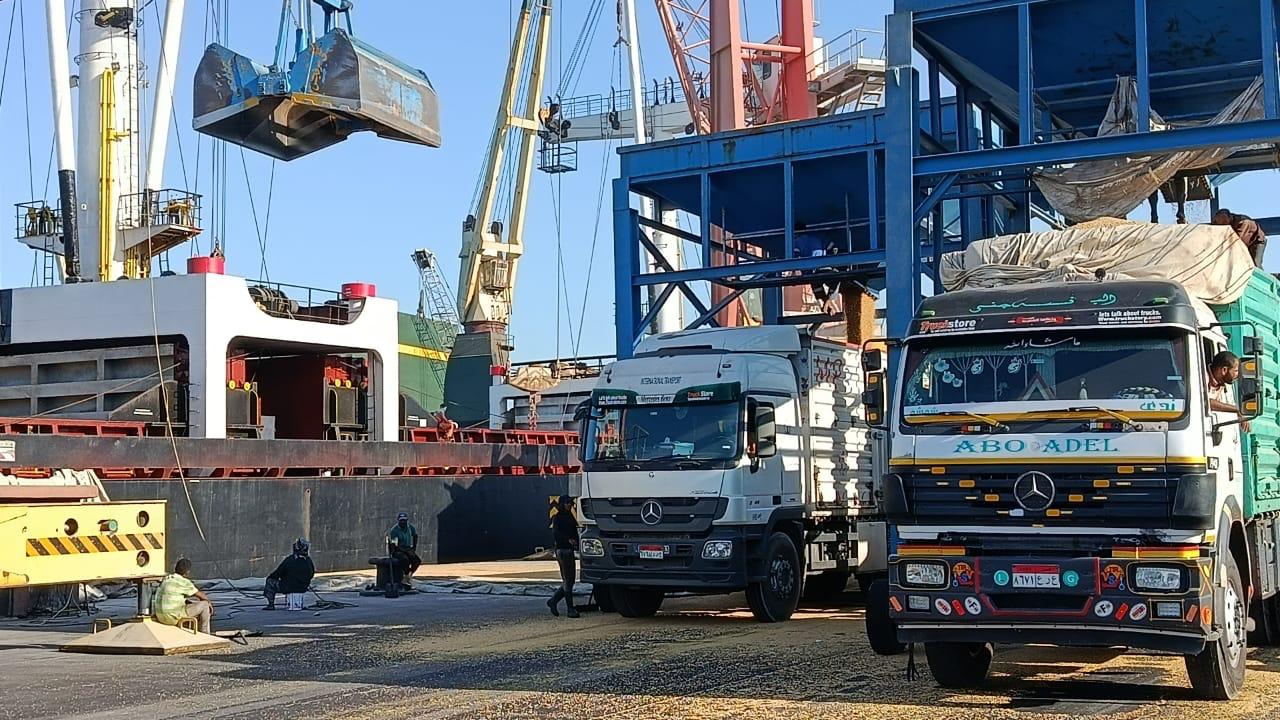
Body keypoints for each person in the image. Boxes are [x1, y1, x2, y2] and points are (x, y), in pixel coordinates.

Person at [154, 558, 213, 634]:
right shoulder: (184, 582)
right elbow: (201, 595)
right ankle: (205, 634)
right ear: (187, 572)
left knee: (187, 602)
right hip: (172, 618)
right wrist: (209, 603)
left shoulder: (166, 579)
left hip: (160, 617)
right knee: (205, 605)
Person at [546, 495, 580, 618]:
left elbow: (574, 532)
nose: (570, 505)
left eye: (571, 503)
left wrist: (577, 543)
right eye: (568, 503)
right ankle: (570, 609)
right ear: (562, 504)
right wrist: (568, 540)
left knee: (569, 579)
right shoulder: (558, 517)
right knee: (568, 579)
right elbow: (556, 533)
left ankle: (553, 601)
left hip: (569, 550)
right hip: (563, 550)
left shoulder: (569, 516)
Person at [264, 538, 315, 610]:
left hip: (288, 587)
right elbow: (311, 574)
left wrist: (273, 577)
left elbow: (277, 573)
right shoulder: (308, 560)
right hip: (303, 587)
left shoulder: (290, 559)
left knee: (270, 581)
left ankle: (271, 605)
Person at [1208, 350, 1250, 432]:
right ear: (1224, 370)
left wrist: (1240, 414)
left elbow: (1228, 405)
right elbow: (1205, 402)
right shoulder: (1200, 376)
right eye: (1236, 371)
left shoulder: (1225, 383)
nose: (1238, 375)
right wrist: (1237, 409)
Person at [387, 512, 420, 588]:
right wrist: (406, 551)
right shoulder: (394, 530)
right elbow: (394, 545)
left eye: (404, 520)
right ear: (398, 521)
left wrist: (413, 548)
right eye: (401, 520)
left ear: (407, 520)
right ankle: (405, 575)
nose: (403, 522)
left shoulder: (410, 527)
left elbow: (415, 536)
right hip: (397, 550)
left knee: (417, 560)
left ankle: (408, 576)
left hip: (407, 548)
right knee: (405, 559)